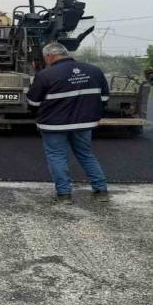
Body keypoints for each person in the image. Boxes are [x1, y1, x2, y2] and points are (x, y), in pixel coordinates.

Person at [26, 42, 110, 204]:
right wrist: (93, 114)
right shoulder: (94, 71)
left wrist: (39, 116)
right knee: (86, 154)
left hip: (53, 125)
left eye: (46, 58)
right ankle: (101, 190)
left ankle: (64, 195)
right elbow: (104, 98)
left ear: (49, 56)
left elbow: (33, 102)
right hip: (84, 123)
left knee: (57, 157)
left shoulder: (45, 75)